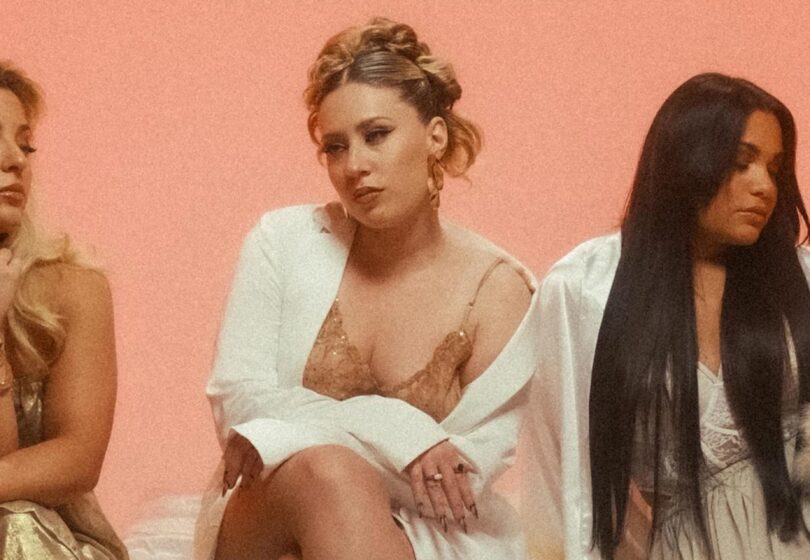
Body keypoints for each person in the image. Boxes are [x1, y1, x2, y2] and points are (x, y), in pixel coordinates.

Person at [193, 17, 540, 560]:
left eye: (376, 135)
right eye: (335, 147)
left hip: (428, 537)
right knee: (328, 471)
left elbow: (460, 480)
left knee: (339, 481)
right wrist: (401, 430)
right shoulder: (282, 243)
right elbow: (240, 406)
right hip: (266, 522)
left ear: (435, 136)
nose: (354, 166)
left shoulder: (497, 290)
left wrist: (298, 426)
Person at [523, 73, 810, 559]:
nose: (765, 186)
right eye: (741, 163)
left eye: (774, 169)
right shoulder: (587, 288)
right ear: (686, 162)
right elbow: (566, 481)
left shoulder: (799, 278)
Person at [0, 62, 127, 558]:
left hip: (43, 540)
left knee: (14, 523)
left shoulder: (74, 288)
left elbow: (77, 463)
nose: (15, 160)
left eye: (25, 145)